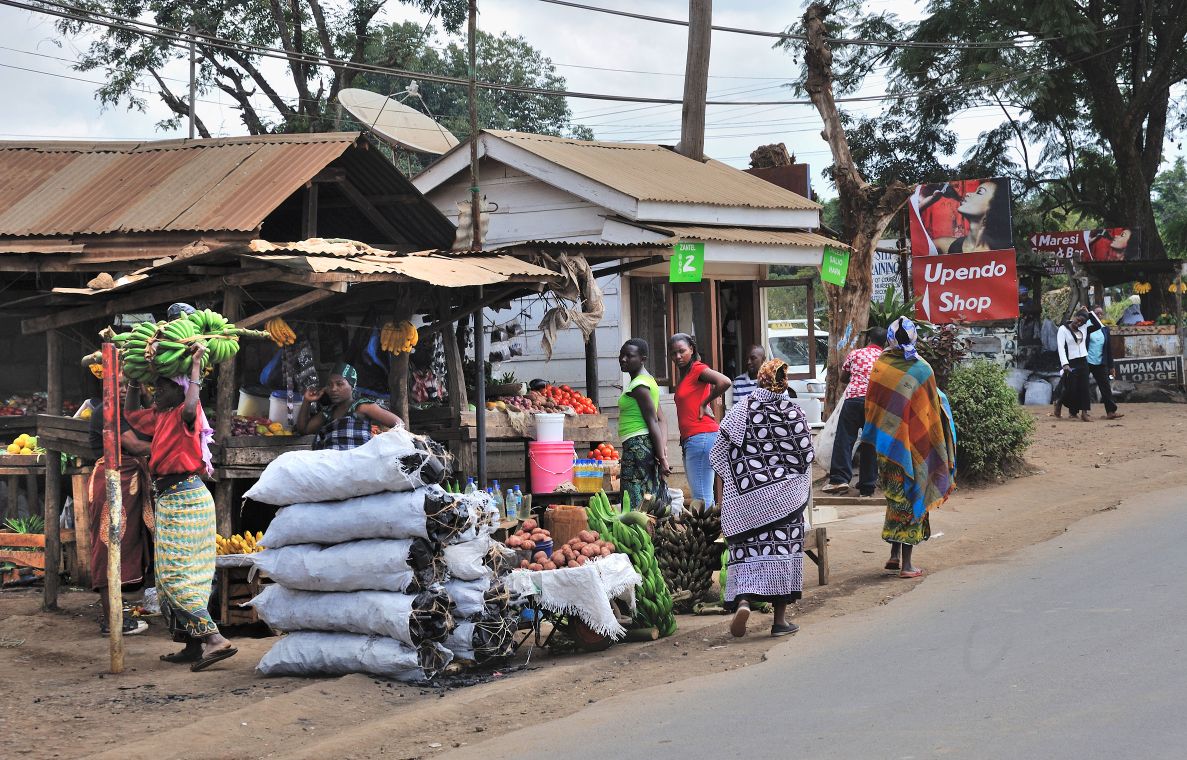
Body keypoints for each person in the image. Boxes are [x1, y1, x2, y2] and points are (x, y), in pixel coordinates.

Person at [144, 344, 236, 670]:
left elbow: (193, 401)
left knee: (173, 576)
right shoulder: (163, 415)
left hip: (186, 500)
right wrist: (132, 380)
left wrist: (195, 366)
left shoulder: (187, 413)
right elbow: (129, 415)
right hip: (176, 500)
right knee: (181, 576)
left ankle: (214, 639)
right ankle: (193, 646)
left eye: (163, 386)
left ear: (179, 390)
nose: (156, 391)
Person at [709, 359, 814, 638]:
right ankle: (779, 621)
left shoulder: (741, 409)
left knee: (747, 552)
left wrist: (739, 479)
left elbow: (718, 452)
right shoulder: (793, 411)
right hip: (785, 501)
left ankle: (743, 601)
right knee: (783, 551)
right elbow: (806, 456)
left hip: (746, 503)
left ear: (760, 378)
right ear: (784, 382)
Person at [861, 317, 956, 579]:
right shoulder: (922, 369)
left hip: (888, 447)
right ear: (914, 338)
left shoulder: (881, 364)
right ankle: (907, 565)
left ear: (890, 338)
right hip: (915, 447)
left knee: (895, 499)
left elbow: (873, 403)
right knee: (913, 496)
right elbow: (932, 409)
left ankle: (893, 555)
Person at [86, 375, 154, 636]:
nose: (125, 390)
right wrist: (175, 446)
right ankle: (111, 620)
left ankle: (118, 613)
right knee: (107, 546)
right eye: (121, 385)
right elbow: (135, 445)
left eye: (131, 385)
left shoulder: (132, 411)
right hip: (112, 483)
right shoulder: (108, 411)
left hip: (130, 483)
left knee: (126, 547)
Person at [669, 333, 731, 508]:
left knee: (701, 498)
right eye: (673, 353)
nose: (678, 356)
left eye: (682, 351)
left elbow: (725, 382)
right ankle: (711, 533)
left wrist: (705, 402)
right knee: (702, 495)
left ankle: (708, 535)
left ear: (692, 349)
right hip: (693, 439)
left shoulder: (697, 369)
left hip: (701, 437)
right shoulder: (686, 374)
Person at [822, 329, 886, 496]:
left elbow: (844, 378)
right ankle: (867, 486)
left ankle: (839, 480)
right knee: (869, 443)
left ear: (869, 339)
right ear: (884, 342)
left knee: (844, 439)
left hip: (853, 400)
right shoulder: (886, 358)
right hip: (874, 403)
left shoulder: (856, 353)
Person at [295, 363, 403, 450]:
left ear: (352, 386)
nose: (333, 389)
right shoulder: (328, 412)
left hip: (358, 465)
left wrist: (380, 448)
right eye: (329, 384)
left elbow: (398, 423)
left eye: (339, 384)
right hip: (335, 467)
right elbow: (304, 429)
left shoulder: (362, 406)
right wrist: (307, 401)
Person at [617, 339, 670, 513]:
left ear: (642, 358)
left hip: (637, 446)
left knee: (633, 498)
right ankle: (651, 536)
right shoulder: (649, 381)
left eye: (629, 356)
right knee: (648, 496)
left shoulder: (640, 385)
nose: (623, 359)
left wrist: (662, 458)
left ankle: (637, 536)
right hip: (644, 446)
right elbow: (661, 419)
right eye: (621, 355)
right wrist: (661, 450)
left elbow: (653, 420)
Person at [917, 179, 1012, 253]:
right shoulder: (944, 245)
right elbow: (917, 251)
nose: (968, 194)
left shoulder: (999, 253)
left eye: (979, 192)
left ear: (992, 209)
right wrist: (928, 202)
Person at [1057, 307, 1103, 422]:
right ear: (1074, 316)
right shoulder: (1063, 329)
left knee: (1084, 387)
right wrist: (1065, 364)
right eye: (1078, 320)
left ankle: (1084, 413)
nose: (1079, 323)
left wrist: (1089, 313)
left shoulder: (1084, 327)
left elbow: (1099, 325)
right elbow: (1061, 348)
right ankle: (1059, 403)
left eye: (1082, 322)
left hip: (1083, 360)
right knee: (1071, 388)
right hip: (1071, 363)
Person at [1087, 306, 1123, 420]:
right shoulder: (1086, 327)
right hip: (1086, 361)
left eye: (1101, 314)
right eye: (1096, 313)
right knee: (1080, 385)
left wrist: (1111, 366)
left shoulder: (1104, 329)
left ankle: (1111, 411)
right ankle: (1077, 411)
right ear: (1091, 314)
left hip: (1100, 362)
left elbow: (1108, 349)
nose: (1099, 315)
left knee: (1105, 386)